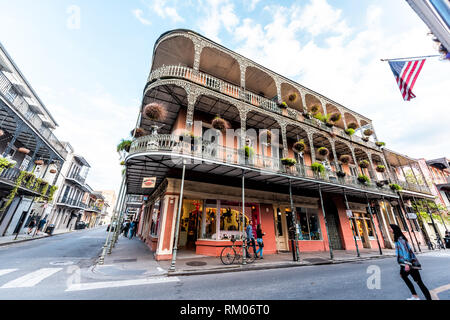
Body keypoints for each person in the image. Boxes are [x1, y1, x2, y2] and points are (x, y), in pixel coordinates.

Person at [390, 224, 432, 300]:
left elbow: (406, 251)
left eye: (390, 228)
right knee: (404, 276)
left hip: (408, 263)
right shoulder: (398, 238)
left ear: (394, 229)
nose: (390, 230)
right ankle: (415, 296)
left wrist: (407, 263)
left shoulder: (400, 239)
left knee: (419, 282)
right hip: (404, 263)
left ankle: (419, 297)